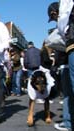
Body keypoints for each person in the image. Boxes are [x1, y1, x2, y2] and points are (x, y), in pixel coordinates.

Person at [48, 1, 74, 130]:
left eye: (53, 17)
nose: (53, 20)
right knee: (68, 94)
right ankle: (68, 121)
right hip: (66, 59)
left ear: (54, 13)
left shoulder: (65, 18)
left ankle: (68, 121)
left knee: (69, 93)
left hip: (67, 60)